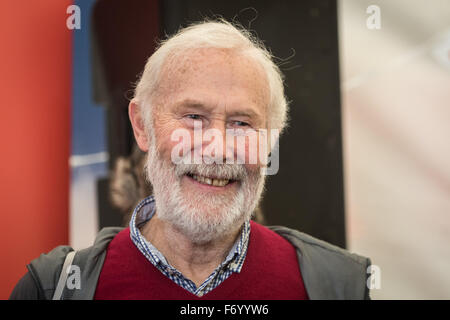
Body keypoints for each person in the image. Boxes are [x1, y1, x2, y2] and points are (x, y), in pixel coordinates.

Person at [10, 19, 371, 300]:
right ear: (142, 126)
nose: (216, 148)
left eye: (241, 123)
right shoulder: (55, 287)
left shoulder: (337, 284)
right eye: (193, 117)